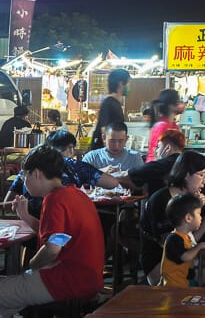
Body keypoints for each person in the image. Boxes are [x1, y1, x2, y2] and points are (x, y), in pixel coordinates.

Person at [0, 145, 104, 317]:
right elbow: (59, 236)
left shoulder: (54, 200)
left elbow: (53, 247)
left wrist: (32, 266)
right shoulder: (76, 194)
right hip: (88, 279)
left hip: (67, 281)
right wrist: (25, 216)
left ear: (37, 173)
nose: (25, 183)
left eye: (25, 176)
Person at [6, 129, 119, 227]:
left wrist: (22, 211)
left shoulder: (29, 169)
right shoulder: (73, 166)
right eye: (71, 147)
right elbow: (112, 182)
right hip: (51, 228)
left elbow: (7, 203)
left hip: (34, 229)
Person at [141, 151, 205, 281]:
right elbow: (176, 248)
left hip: (181, 258)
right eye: (201, 175)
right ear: (186, 175)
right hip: (161, 267)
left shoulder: (188, 199)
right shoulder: (162, 201)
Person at [160, 193, 205, 287]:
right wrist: (199, 246)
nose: (201, 218)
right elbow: (184, 257)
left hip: (183, 282)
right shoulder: (173, 238)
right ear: (188, 218)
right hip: (173, 286)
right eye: (199, 214)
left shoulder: (185, 237)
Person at [120, 128, 186, 196]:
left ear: (168, 148)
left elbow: (131, 174)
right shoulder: (187, 162)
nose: (156, 151)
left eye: (159, 147)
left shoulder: (163, 164)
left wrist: (115, 174)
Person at [91, 68, 130, 149]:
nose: (129, 86)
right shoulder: (108, 104)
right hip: (103, 153)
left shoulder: (115, 103)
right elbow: (104, 130)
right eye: (128, 83)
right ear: (121, 83)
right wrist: (110, 154)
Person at [146, 90, 183, 163]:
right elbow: (155, 152)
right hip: (156, 167)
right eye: (179, 102)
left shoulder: (174, 126)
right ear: (171, 106)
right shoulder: (161, 126)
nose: (182, 105)